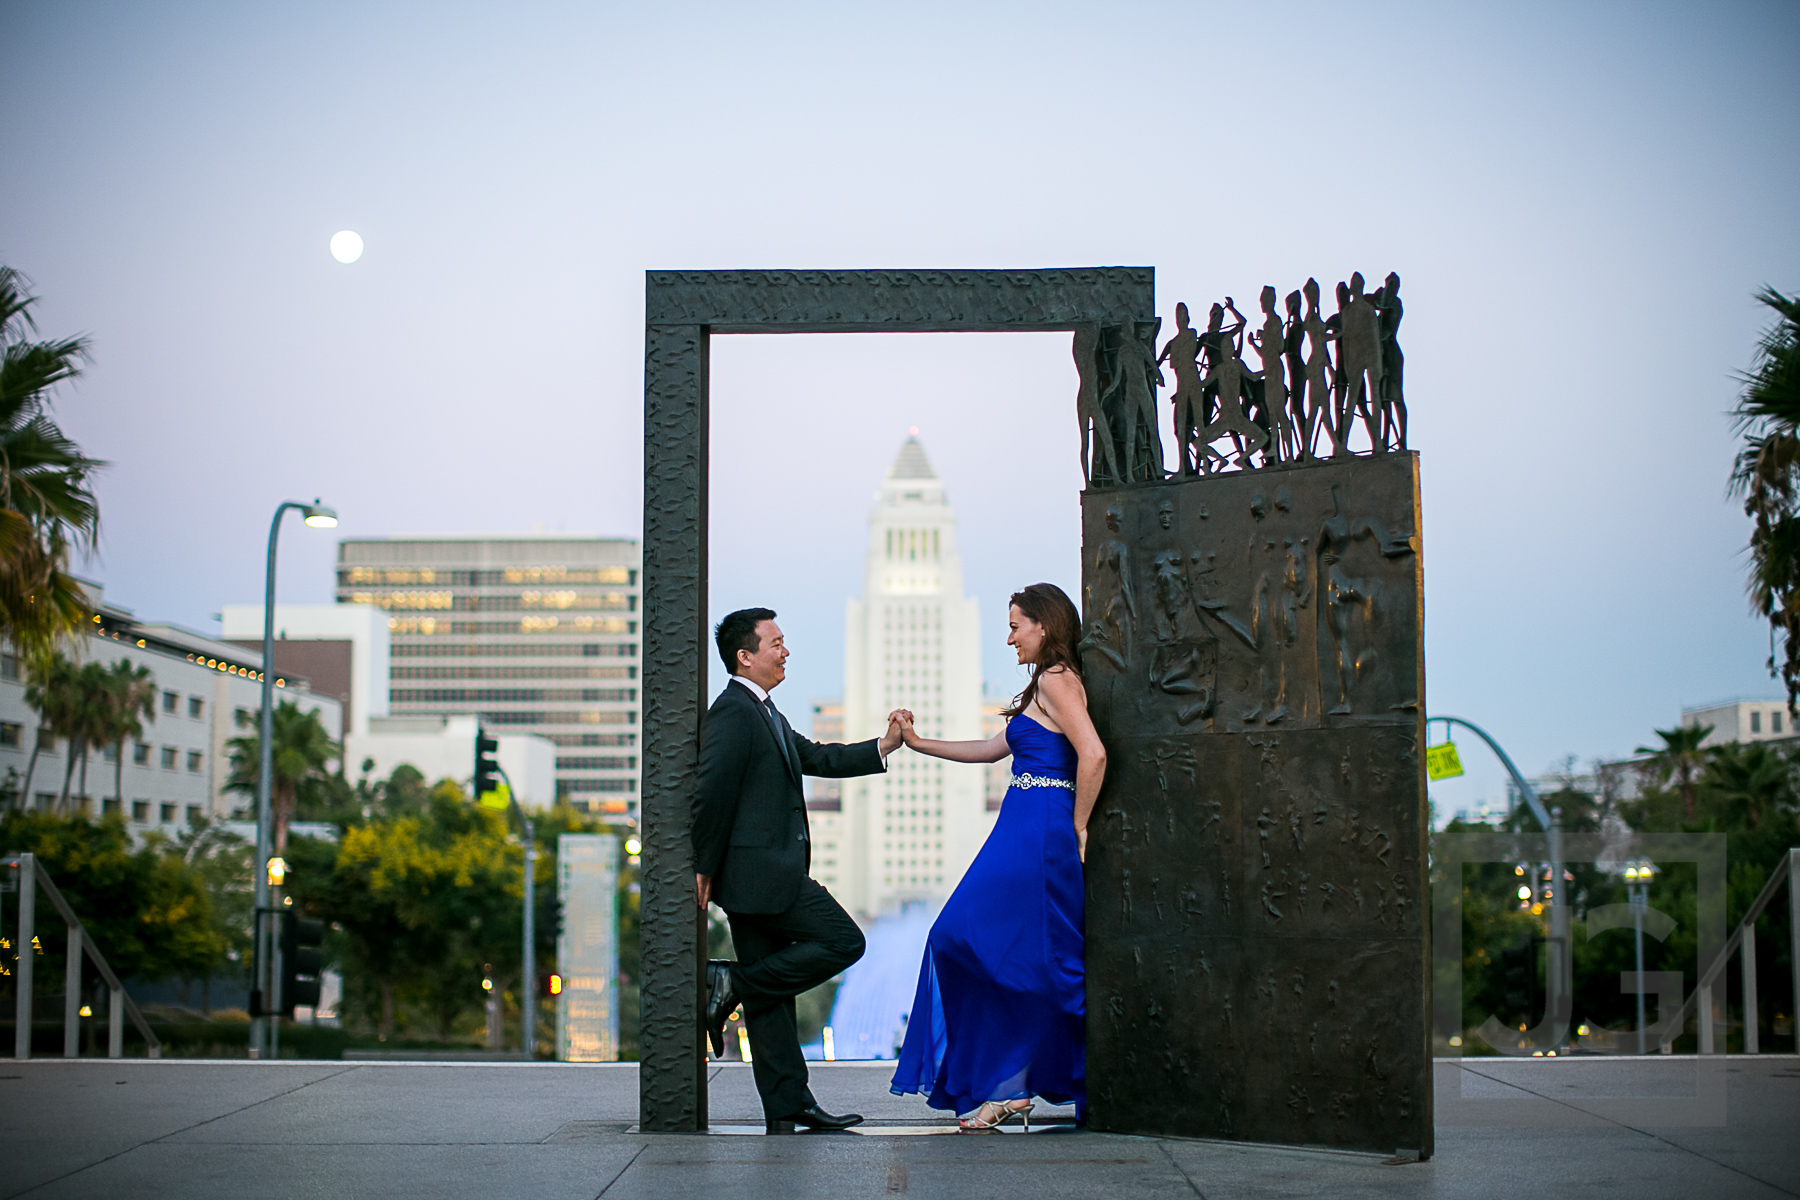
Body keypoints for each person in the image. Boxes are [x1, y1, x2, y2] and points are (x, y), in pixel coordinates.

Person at [889, 583, 1107, 1132]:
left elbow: (1094, 753)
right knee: (994, 949)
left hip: (1041, 829)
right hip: (1021, 824)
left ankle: (1019, 1083)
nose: (1009, 637)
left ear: (1044, 624)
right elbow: (991, 750)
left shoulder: (1058, 680)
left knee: (989, 945)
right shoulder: (1045, 683)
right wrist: (919, 744)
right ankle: (1013, 1085)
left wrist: (1078, 824)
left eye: (1016, 625)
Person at [693, 607, 908, 1134]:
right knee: (844, 941)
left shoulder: (766, 712)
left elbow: (818, 757)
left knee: (773, 1001)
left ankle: (788, 1103)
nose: (785, 651)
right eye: (776, 643)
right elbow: (711, 791)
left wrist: (883, 746)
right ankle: (733, 981)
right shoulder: (734, 712)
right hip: (761, 876)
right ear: (745, 657)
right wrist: (702, 866)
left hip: (760, 876)